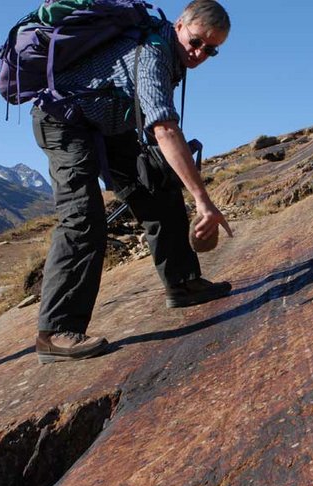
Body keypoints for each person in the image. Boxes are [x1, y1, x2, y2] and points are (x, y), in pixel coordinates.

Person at [33, 0, 233, 364]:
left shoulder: (171, 55)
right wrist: (204, 202)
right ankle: (55, 332)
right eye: (196, 41)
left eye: (211, 50)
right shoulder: (154, 52)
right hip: (62, 119)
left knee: (157, 184)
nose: (200, 53)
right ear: (178, 27)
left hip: (109, 123)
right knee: (82, 216)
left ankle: (183, 283)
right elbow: (164, 128)